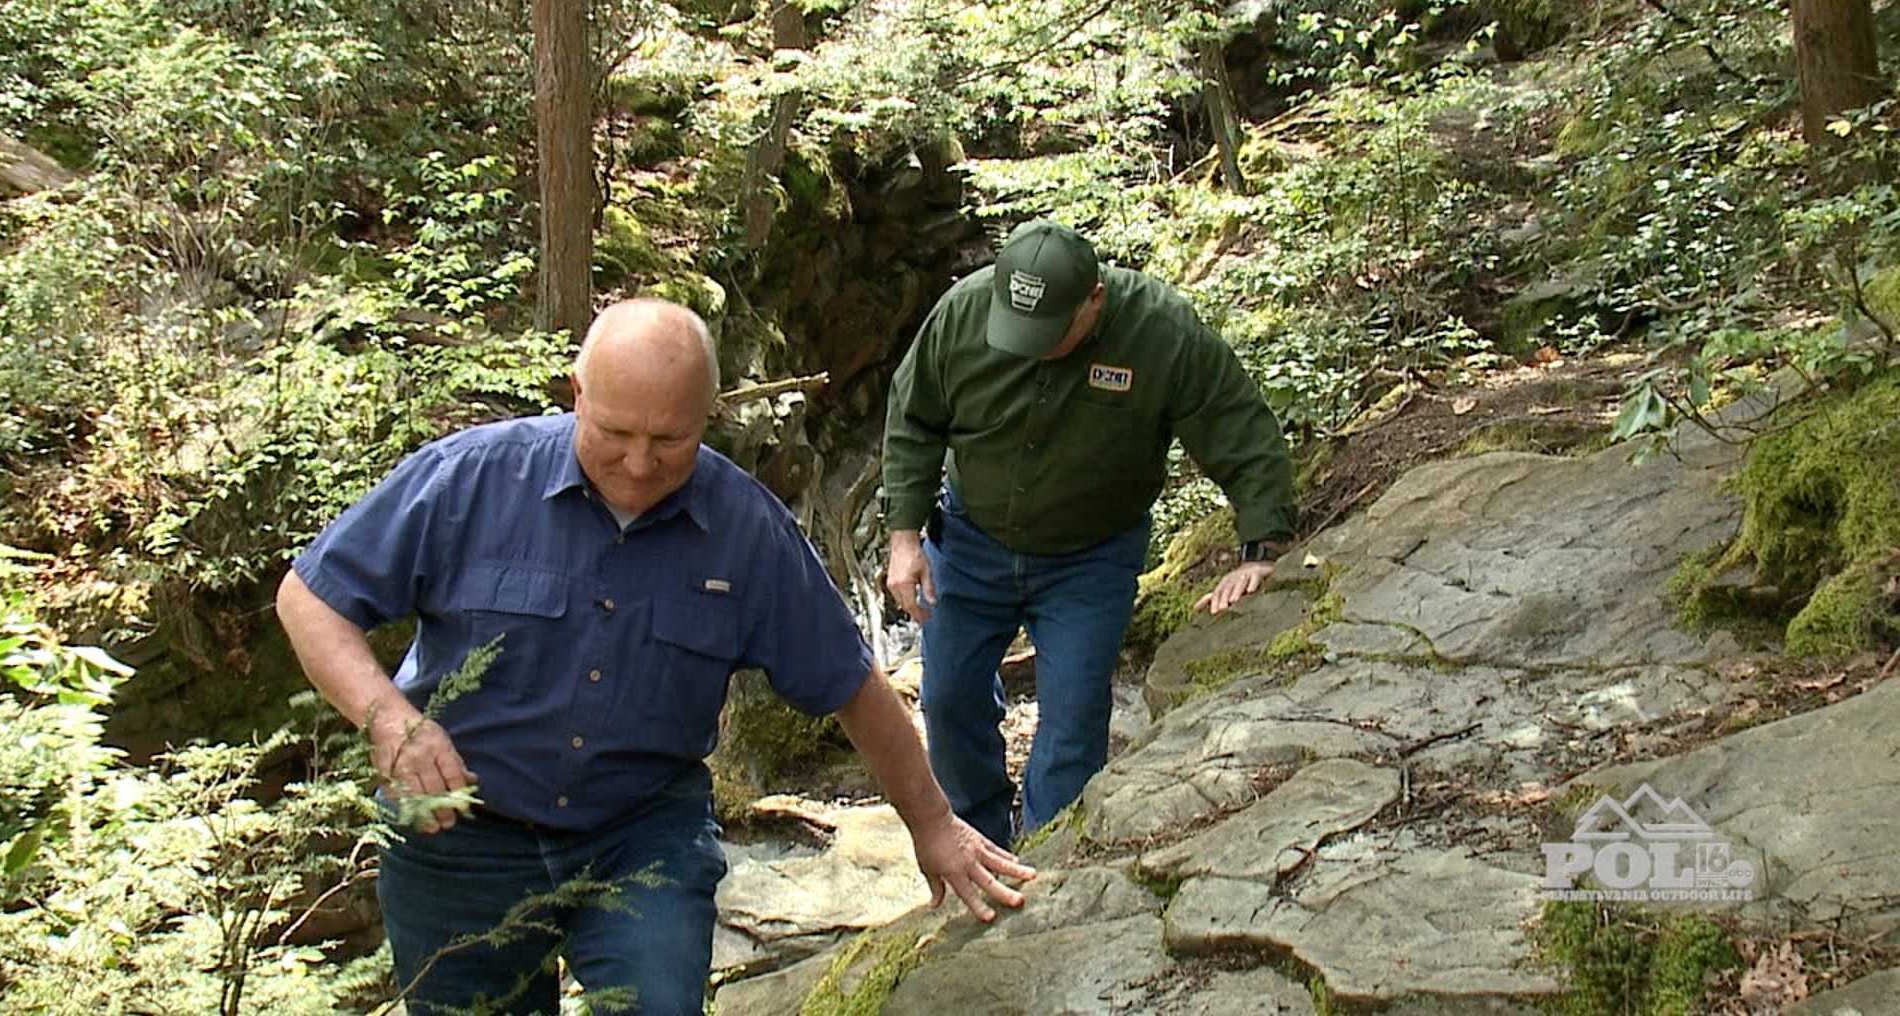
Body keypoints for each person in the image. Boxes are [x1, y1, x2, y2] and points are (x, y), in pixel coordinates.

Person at [276, 297, 1032, 1016]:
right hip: (460, 830)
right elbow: (311, 598)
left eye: (670, 440)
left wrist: (933, 824)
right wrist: (391, 722)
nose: (639, 464)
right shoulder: (470, 480)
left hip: (641, 828)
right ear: (576, 392)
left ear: (708, 416)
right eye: (616, 432)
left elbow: (850, 682)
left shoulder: (746, 530)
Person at [882, 219, 1296, 849]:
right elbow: (913, 420)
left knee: (1073, 723)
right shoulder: (961, 316)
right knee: (949, 702)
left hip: (1090, 560)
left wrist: (1260, 549)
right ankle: (977, 848)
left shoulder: (1160, 331)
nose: (1030, 348)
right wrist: (904, 537)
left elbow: (1237, 426)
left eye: (1049, 334)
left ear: (1095, 300)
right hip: (969, 542)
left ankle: (1050, 864)